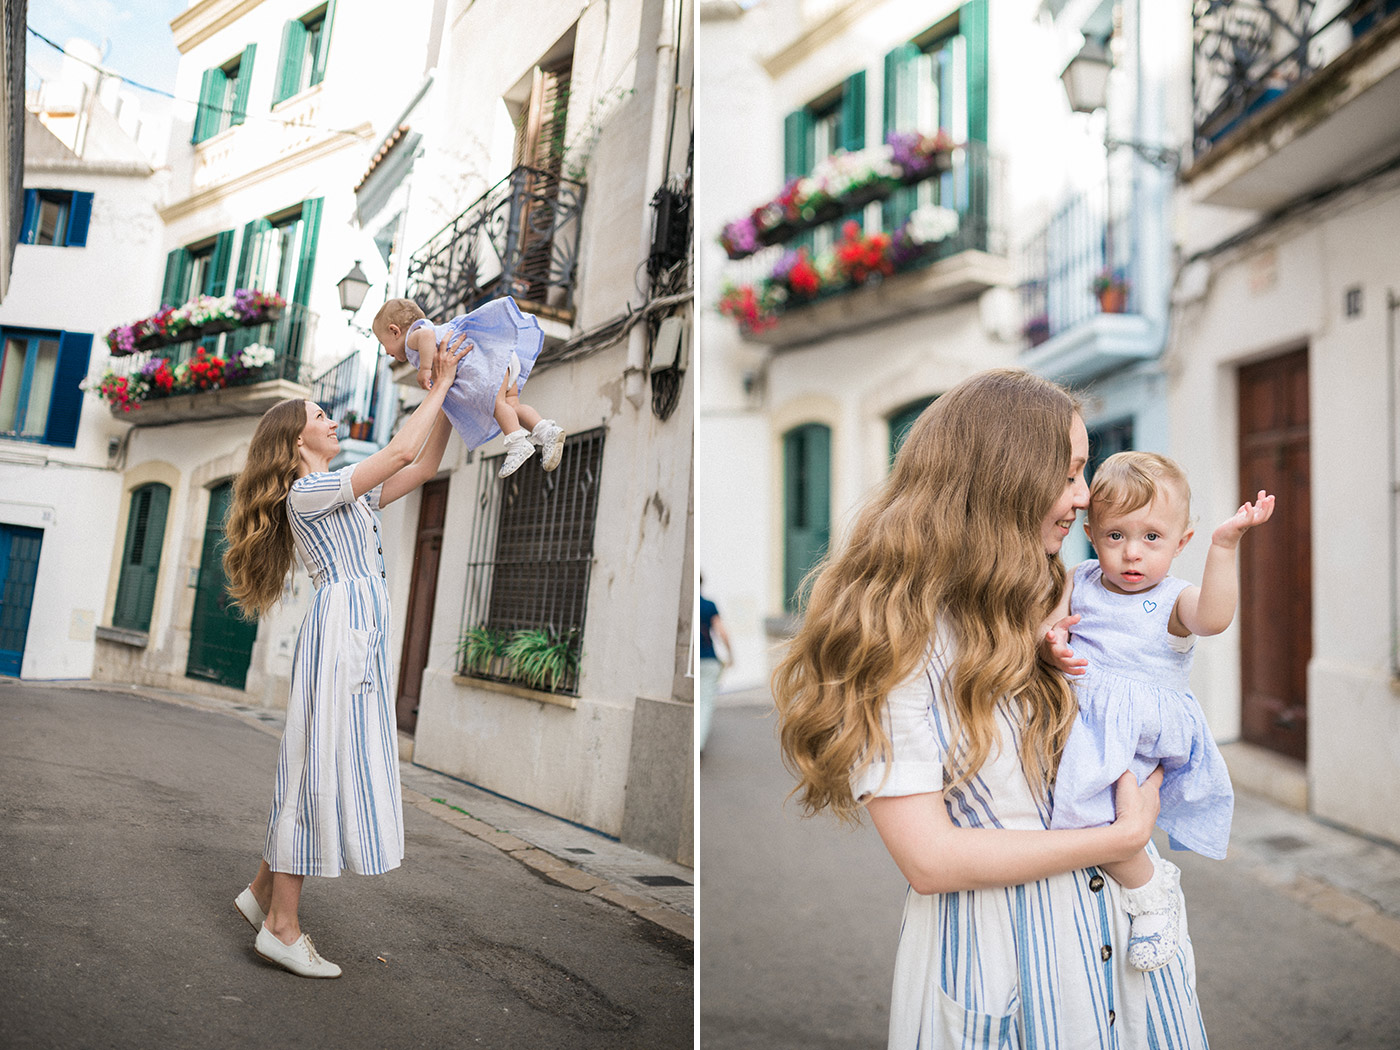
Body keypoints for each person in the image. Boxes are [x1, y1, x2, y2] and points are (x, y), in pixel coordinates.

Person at [773, 369, 1209, 1049]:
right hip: (999, 964)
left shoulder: (1053, 599)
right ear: (1004, 477)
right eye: (1067, 473)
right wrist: (1120, 841)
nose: (1084, 494)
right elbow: (929, 859)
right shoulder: (898, 637)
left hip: (1125, 953)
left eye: (1083, 470)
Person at [221, 331, 472, 978]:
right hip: (341, 633)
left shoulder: (342, 490)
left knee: (316, 758)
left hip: (354, 632)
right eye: (320, 416)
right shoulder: (311, 492)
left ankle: (259, 894)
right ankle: (282, 926)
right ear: (297, 442)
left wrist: (447, 397)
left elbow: (418, 466)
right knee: (317, 764)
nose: (331, 420)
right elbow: (398, 450)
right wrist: (436, 384)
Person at [1042, 451, 1274, 971]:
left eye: (1152, 538)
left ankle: (1150, 891)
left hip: (1142, 732)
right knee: (1087, 818)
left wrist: (1225, 546)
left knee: (1098, 817)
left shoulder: (1175, 599)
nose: (1131, 554)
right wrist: (1050, 645)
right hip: (1088, 723)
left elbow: (1213, 620)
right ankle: (1126, 885)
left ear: (1180, 542)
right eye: (1115, 536)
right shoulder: (1077, 579)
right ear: (1091, 534)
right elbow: (1051, 629)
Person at [372, 295, 565, 479]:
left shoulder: (413, 337)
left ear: (395, 331)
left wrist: (424, 369)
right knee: (512, 405)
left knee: (496, 405)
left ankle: (517, 443)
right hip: (502, 358)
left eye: (382, 343)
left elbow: (427, 337)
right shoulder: (422, 332)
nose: (385, 350)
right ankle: (546, 431)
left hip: (487, 363)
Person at [697, 574, 732, 754]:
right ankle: (699, 746)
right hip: (708, 661)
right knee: (704, 704)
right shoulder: (709, 605)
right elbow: (722, 632)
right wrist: (730, 654)